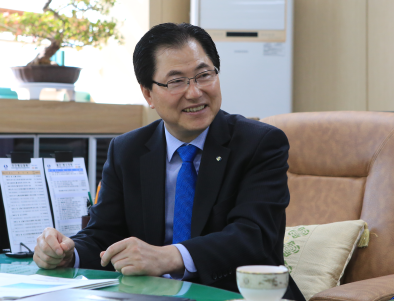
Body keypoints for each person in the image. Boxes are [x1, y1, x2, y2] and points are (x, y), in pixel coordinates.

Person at [34, 23, 304, 300]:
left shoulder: (259, 143)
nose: (195, 92)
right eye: (176, 81)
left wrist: (169, 257)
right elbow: (104, 234)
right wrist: (69, 253)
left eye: (204, 75)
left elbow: (254, 237)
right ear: (148, 94)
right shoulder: (127, 150)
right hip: (149, 295)